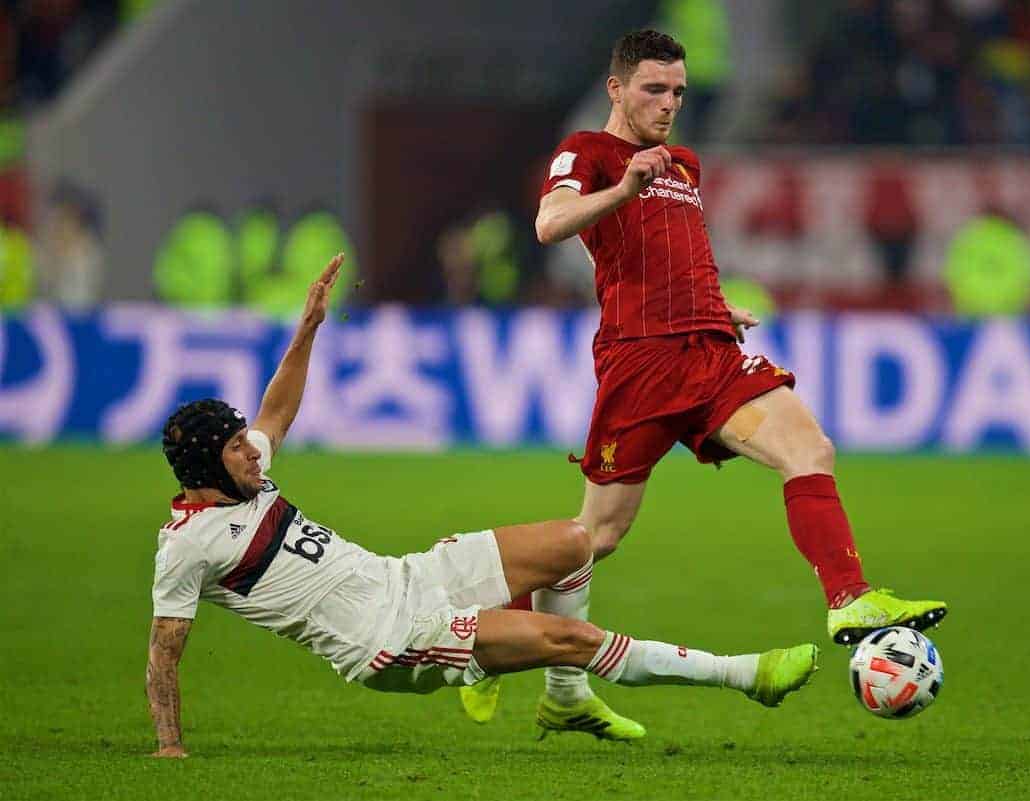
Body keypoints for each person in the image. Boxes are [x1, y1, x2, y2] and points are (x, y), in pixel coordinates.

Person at [459, 30, 947, 739]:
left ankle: (849, 597)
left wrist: (719, 308)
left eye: (679, 92)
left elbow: (676, 256)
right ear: (617, 89)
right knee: (591, 538)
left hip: (710, 352)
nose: (669, 104)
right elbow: (547, 223)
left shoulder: (683, 163)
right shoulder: (588, 153)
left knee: (810, 448)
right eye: (654, 89)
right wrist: (622, 186)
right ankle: (489, 650)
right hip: (641, 367)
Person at [144, 254, 820, 757]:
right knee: (572, 639)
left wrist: (309, 327)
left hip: (402, 577)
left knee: (573, 543)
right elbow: (164, 653)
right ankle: (743, 675)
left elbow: (277, 410)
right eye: (237, 448)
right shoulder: (189, 544)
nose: (254, 450)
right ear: (209, 466)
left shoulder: (247, 473)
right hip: (388, 641)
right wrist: (170, 745)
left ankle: (563, 700)